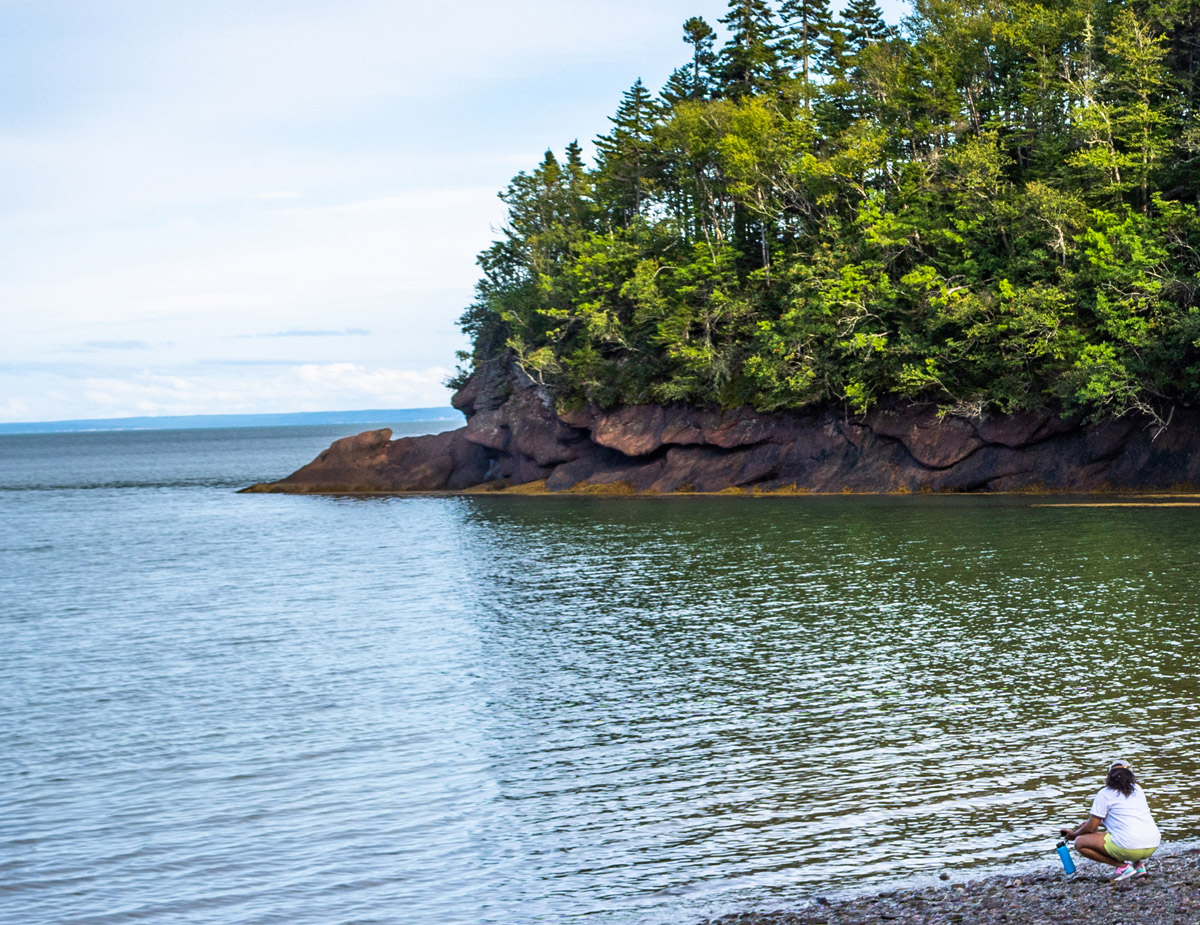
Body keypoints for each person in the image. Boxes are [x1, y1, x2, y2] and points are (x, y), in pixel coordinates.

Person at [1060, 761, 1161, 881]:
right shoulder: (1138, 790)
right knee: (1127, 833)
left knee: (1080, 842)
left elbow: (1091, 828)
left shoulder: (1104, 794)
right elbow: (1124, 817)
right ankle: (1138, 866)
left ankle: (1123, 867)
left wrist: (1074, 834)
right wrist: (1092, 824)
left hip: (1130, 847)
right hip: (1152, 843)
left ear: (1109, 777)